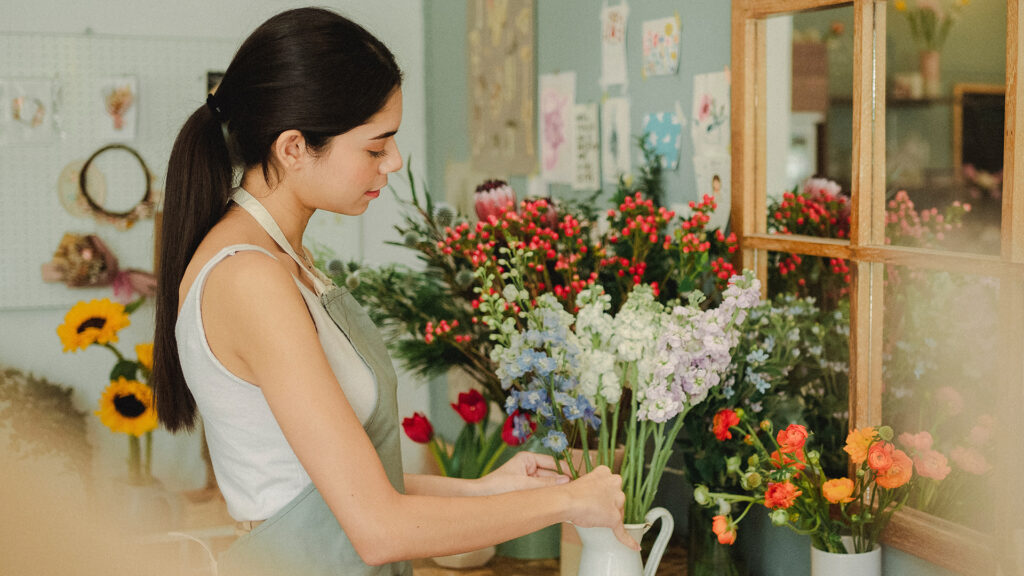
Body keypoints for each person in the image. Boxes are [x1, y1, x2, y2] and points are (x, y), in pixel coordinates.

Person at [151, 8, 635, 576]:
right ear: (293, 147)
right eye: (376, 148)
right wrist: (568, 502)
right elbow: (379, 529)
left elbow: (341, 490)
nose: (395, 163)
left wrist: (487, 490)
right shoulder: (248, 279)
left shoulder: (289, 261)